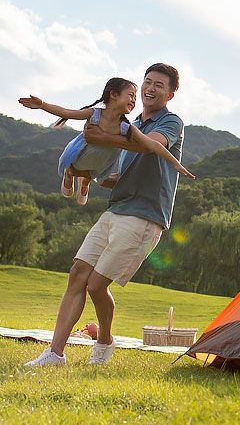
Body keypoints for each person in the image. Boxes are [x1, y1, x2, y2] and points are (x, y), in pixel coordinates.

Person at [25, 63, 187, 368]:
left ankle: (105, 340)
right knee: (77, 274)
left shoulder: (171, 122)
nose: (150, 89)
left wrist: (102, 137)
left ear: (171, 93)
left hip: (145, 216)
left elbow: (151, 148)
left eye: (159, 85)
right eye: (147, 82)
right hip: (116, 209)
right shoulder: (129, 121)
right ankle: (55, 353)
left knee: (97, 285)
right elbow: (115, 172)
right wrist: (85, 172)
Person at [18, 77, 193, 205]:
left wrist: (175, 163)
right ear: (114, 95)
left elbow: (150, 145)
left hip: (102, 162)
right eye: (130, 95)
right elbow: (66, 112)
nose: (134, 100)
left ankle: (85, 181)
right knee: (73, 166)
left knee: (95, 173)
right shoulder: (94, 113)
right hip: (83, 153)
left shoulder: (127, 127)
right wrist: (42, 105)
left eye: (134, 97)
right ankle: (69, 174)